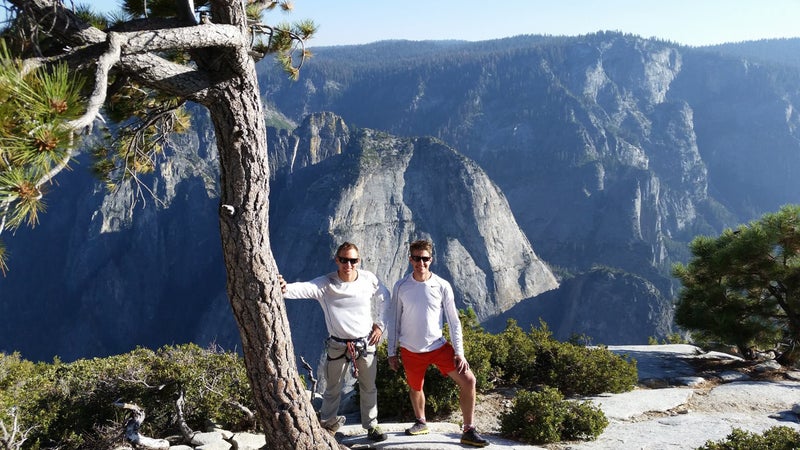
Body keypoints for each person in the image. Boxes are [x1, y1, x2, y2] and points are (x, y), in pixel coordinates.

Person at [279, 242, 389, 442]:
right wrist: (283, 287)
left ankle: (372, 425)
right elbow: (302, 289)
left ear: (359, 261)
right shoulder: (326, 284)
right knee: (332, 388)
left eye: (353, 260)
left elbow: (385, 296)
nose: (348, 264)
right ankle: (328, 425)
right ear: (337, 260)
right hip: (338, 345)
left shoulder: (368, 279)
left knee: (368, 387)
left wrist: (380, 325)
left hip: (365, 344)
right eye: (344, 260)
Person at [386, 239, 489, 448]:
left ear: (431, 260)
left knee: (469, 380)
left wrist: (459, 353)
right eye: (416, 258)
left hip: (438, 347)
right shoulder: (401, 286)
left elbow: (453, 320)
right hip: (410, 349)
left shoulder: (442, 285)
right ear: (410, 259)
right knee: (416, 387)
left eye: (424, 259)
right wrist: (391, 352)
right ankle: (421, 421)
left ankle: (468, 429)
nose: (420, 263)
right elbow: (394, 319)